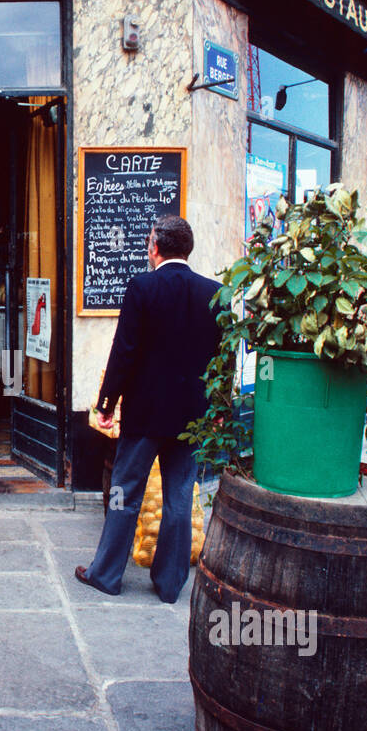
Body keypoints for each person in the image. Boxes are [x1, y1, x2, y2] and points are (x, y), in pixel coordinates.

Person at [75, 215, 222, 604]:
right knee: (178, 497)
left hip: (144, 414)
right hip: (193, 415)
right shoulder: (215, 293)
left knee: (124, 492)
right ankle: (171, 584)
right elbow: (222, 362)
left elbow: (123, 352)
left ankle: (106, 574)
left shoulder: (142, 287)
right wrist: (221, 408)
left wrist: (106, 403)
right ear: (187, 249)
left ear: (154, 246)